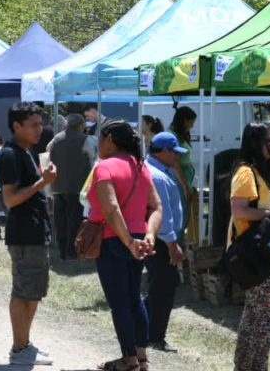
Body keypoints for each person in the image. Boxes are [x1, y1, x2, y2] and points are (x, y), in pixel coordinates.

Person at [88, 119, 161, 371]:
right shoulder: (141, 167)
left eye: (99, 138)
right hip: (139, 240)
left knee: (120, 303)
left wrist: (128, 241)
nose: (98, 144)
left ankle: (129, 361)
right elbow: (156, 206)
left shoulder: (104, 167)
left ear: (108, 139)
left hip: (114, 241)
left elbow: (111, 209)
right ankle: (142, 359)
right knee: (134, 300)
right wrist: (149, 235)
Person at [229, 122, 270, 371]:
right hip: (251, 256)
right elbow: (239, 211)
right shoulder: (245, 172)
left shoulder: (260, 173)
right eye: (269, 139)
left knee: (258, 316)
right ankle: (250, 366)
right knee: (265, 315)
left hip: (262, 255)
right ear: (256, 143)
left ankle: (252, 366)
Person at [0, 103, 57, 367]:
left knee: (32, 292)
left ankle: (24, 344)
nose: (39, 128)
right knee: (23, 292)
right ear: (16, 126)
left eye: (40, 123)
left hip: (34, 232)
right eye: (33, 124)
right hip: (24, 234)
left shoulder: (25, 151)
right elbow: (9, 200)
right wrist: (42, 183)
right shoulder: (10, 154)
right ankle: (19, 348)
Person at [143, 132, 185, 353]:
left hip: (157, 237)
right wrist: (172, 244)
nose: (177, 157)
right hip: (161, 239)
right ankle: (155, 336)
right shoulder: (158, 176)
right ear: (165, 152)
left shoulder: (155, 171)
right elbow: (163, 213)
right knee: (164, 286)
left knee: (161, 284)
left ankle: (144, 327)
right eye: (175, 152)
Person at [47, 114, 95, 261]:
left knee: (60, 221)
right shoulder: (86, 139)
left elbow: (47, 152)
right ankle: (72, 252)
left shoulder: (56, 139)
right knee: (74, 220)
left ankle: (62, 251)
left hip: (58, 186)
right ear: (80, 125)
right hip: (77, 186)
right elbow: (92, 158)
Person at [170, 106, 197, 242]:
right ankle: (176, 247)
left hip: (184, 178)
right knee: (180, 217)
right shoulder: (173, 136)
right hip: (179, 180)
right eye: (191, 122)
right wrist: (186, 186)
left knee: (183, 216)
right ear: (185, 120)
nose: (192, 126)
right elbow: (175, 164)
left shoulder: (180, 135)